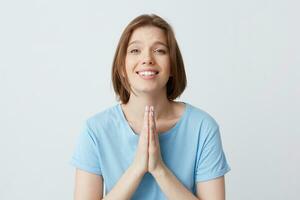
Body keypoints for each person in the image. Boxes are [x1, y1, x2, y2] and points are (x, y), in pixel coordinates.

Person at [70, 14, 230, 200]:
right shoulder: (95, 130)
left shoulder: (203, 127)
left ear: (172, 66)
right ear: (122, 67)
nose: (147, 58)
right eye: (135, 50)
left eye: (160, 51)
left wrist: (159, 169)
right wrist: (137, 168)